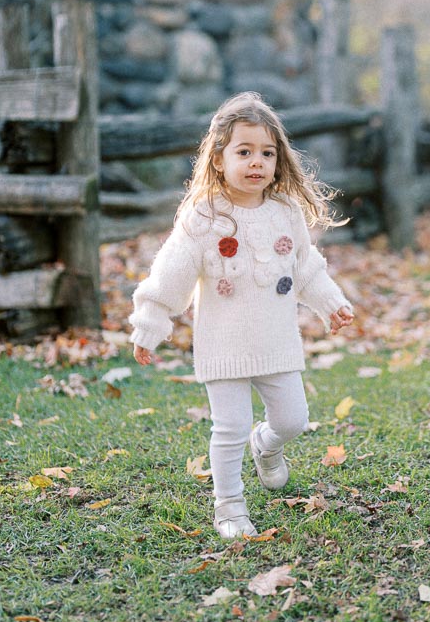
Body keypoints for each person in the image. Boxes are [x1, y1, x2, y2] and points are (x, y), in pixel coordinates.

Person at [130, 92, 354, 539]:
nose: (257, 162)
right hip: (224, 344)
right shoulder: (204, 217)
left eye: (267, 153)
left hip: (276, 341)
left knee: (293, 419)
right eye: (244, 152)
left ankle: (266, 445)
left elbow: (304, 267)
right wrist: (150, 324)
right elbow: (170, 275)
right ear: (218, 159)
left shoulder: (285, 212)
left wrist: (332, 303)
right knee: (229, 428)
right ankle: (229, 507)